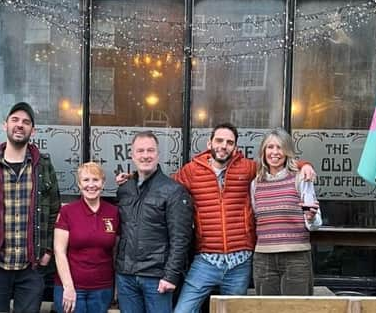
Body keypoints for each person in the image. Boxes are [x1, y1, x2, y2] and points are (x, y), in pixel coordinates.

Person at [168, 123, 316, 313]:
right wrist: (134, 177)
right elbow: (164, 188)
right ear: (209, 143)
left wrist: (305, 165)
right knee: (183, 310)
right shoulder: (192, 171)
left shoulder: (247, 168)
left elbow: (274, 164)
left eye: (229, 142)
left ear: (235, 147)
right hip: (206, 260)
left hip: (240, 262)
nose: (223, 146)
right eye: (219, 140)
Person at [0, 101, 60, 313]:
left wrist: (47, 250)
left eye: (26, 122)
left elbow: (54, 210)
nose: (20, 125)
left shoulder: (43, 165)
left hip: (31, 267)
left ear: (32, 130)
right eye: (15, 120)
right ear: (5, 125)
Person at [115, 131, 194, 313]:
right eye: (140, 151)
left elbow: (181, 239)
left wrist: (171, 276)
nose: (145, 155)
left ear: (158, 154)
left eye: (150, 150)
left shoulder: (174, 191)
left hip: (157, 277)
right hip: (126, 275)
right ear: (132, 155)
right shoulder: (125, 189)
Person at [250, 128, 322, 295]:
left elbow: (315, 223)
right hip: (264, 258)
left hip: (296, 257)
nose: (275, 152)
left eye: (280, 147)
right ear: (263, 151)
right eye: (270, 147)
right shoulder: (255, 184)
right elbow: (256, 217)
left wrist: (311, 217)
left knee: (296, 308)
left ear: (287, 151)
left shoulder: (300, 178)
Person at [53, 162, 119, 313]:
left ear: (103, 183)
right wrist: (68, 287)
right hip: (71, 288)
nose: (91, 185)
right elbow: (59, 251)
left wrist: (116, 285)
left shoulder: (113, 212)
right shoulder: (67, 211)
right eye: (86, 180)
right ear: (79, 184)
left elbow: (116, 252)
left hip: (102, 289)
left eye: (95, 180)